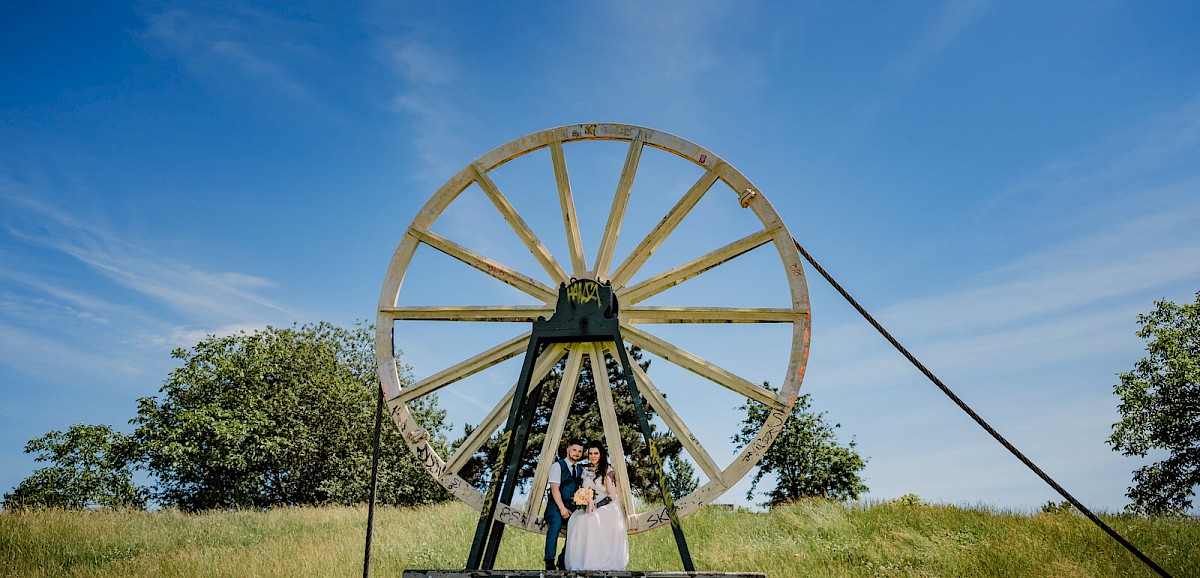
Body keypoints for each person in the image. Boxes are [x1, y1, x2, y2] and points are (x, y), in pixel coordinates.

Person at [564, 441, 629, 571]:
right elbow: (582, 489)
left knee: (591, 520)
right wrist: (582, 499)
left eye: (596, 453)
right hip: (589, 503)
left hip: (606, 505)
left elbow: (612, 495)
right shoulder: (586, 471)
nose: (593, 456)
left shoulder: (608, 470)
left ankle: (595, 562)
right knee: (575, 520)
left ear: (601, 454)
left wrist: (597, 505)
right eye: (590, 453)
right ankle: (580, 563)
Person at [544, 439, 585, 571]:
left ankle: (562, 560)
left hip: (573, 506)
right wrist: (562, 508)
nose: (577, 453)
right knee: (555, 522)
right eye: (574, 450)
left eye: (580, 451)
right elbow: (554, 489)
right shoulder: (557, 466)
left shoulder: (581, 470)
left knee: (578, 526)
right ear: (568, 450)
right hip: (556, 505)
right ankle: (549, 560)